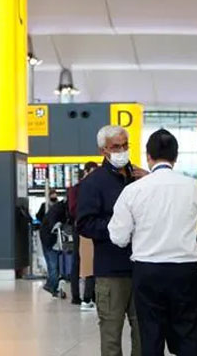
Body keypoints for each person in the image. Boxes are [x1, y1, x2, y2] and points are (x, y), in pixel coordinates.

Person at [109, 129, 197, 356]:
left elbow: (118, 237)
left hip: (148, 271)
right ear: (176, 157)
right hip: (185, 271)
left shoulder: (132, 190)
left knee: (151, 337)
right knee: (188, 335)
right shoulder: (193, 187)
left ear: (148, 156)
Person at [77, 125, 147, 356]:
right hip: (111, 271)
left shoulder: (140, 178)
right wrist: (118, 227)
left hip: (142, 267)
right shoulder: (93, 183)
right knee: (111, 335)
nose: (122, 151)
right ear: (103, 150)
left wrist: (151, 180)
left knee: (144, 333)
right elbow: (84, 224)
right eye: (116, 147)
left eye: (125, 145)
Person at [68, 161, 99, 310]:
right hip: (81, 227)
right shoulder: (76, 189)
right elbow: (73, 209)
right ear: (85, 172)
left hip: (91, 226)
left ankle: (89, 295)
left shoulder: (95, 188)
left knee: (90, 261)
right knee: (80, 260)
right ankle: (80, 296)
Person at [40, 198, 69, 297]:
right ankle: (51, 286)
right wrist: (57, 225)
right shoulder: (57, 210)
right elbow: (52, 223)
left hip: (50, 239)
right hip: (49, 240)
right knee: (53, 265)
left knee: (54, 265)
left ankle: (53, 286)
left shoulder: (59, 208)